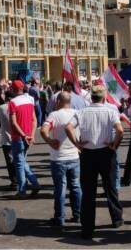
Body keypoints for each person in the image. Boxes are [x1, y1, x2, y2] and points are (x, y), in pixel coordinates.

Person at [65, 85, 124, 240]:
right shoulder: (110, 111)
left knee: (88, 192)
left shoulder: (82, 112)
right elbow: (120, 130)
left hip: (88, 153)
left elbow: (68, 127)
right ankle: (116, 218)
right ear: (103, 97)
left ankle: (87, 227)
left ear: (91, 97)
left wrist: (77, 144)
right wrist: (114, 145)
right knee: (110, 187)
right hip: (106, 151)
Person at [41, 92, 82, 227]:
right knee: (75, 187)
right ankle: (78, 215)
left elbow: (43, 130)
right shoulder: (78, 113)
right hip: (74, 156)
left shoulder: (54, 115)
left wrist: (49, 140)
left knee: (60, 188)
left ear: (58, 101)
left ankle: (59, 218)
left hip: (58, 158)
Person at [9, 80, 40, 198]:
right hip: (27, 136)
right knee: (22, 161)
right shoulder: (30, 99)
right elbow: (34, 119)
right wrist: (31, 135)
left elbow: (13, 122)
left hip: (18, 137)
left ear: (13, 89)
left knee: (19, 164)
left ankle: (22, 191)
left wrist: (23, 135)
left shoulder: (12, 102)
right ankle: (35, 184)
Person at [0, 91, 17, 189]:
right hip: (18, 137)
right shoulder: (18, 106)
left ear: (7, 98)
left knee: (10, 161)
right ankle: (21, 179)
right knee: (19, 160)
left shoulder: (1, 107)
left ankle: (14, 181)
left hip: (6, 138)